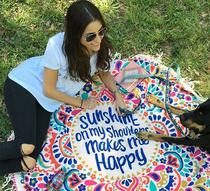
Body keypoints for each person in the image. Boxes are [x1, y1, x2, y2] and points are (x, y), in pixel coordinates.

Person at [0, 0, 126, 176]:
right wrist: (81, 103)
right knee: (25, 147)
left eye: (101, 31)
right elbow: (48, 90)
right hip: (25, 85)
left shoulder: (101, 47)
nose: (98, 39)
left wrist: (117, 96)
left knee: (28, 162)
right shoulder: (56, 46)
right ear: (76, 35)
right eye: (90, 36)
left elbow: (104, 73)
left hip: (47, 103)